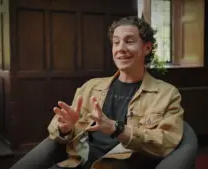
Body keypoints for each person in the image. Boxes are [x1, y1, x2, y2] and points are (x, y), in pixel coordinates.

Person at [10, 16, 184, 169]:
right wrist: (65, 128)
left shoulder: (167, 94)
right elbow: (57, 132)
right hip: (75, 163)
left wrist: (117, 129)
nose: (120, 48)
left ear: (147, 48)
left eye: (129, 41)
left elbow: (166, 142)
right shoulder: (91, 87)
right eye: (116, 42)